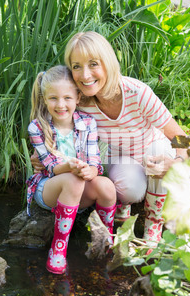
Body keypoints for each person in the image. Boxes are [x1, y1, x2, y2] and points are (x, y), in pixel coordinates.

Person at [32, 31, 188, 250]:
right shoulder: (81, 100)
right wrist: (43, 155)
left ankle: (154, 225)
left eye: (93, 64)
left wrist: (177, 162)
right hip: (121, 156)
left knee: (157, 160)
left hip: (153, 147)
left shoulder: (137, 93)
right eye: (76, 66)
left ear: (108, 63)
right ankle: (125, 206)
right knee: (128, 189)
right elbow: (59, 131)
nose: (85, 75)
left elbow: (182, 137)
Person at [26, 65, 117, 274]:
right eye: (53, 98)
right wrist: (70, 167)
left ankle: (104, 240)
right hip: (48, 190)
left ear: (77, 97)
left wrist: (92, 171)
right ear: (44, 98)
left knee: (107, 186)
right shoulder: (37, 127)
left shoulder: (88, 123)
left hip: (79, 188)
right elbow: (50, 167)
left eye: (67, 98)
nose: (60, 105)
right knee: (73, 180)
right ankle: (59, 248)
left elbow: (94, 159)